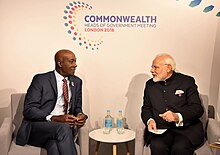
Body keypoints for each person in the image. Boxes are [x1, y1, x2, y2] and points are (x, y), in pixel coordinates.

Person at [16, 49, 88, 155]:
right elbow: (29, 110)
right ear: (60, 63)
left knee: (54, 146)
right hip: (39, 127)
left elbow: (77, 107)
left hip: (61, 132)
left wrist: (80, 115)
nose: (75, 65)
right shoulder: (40, 80)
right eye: (71, 61)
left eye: (75, 61)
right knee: (63, 128)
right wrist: (54, 118)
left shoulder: (77, 82)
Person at [141, 53, 204, 155]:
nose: (152, 70)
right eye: (152, 67)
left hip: (186, 130)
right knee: (157, 147)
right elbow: (146, 108)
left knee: (180, 149)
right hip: (161, 130)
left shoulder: (187, 81)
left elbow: (197, 108)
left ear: (168, 68)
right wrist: (150, 120)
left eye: (155, 67)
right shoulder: (150, 85)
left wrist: (177, 116)